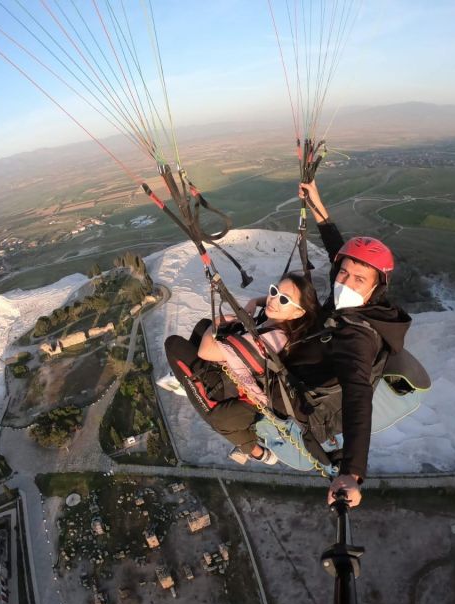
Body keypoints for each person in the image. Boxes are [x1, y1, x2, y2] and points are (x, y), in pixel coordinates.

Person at [282, 180, 412, 508]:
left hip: (307, 382)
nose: (345, 282)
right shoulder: (353, 301)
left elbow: (357, 396)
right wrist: (318, 205)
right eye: (343, 274)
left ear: (376, 288)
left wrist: (353, 472)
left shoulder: (359, 335)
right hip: (312, 345)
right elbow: (337, 251)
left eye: (358, 280)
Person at [163, 273, 321, 465]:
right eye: (274, 291)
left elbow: (205, 351)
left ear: (298, 312)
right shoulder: (289, 322)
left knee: (173, 345)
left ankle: (257, 452)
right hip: (247, 372)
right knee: (201, 326)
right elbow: (279, 303)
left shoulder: (271, 339)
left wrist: (217, 324)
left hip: (244, 394)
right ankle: (191, 375)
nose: (273, 300)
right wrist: (255, 301)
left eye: (284, 299)